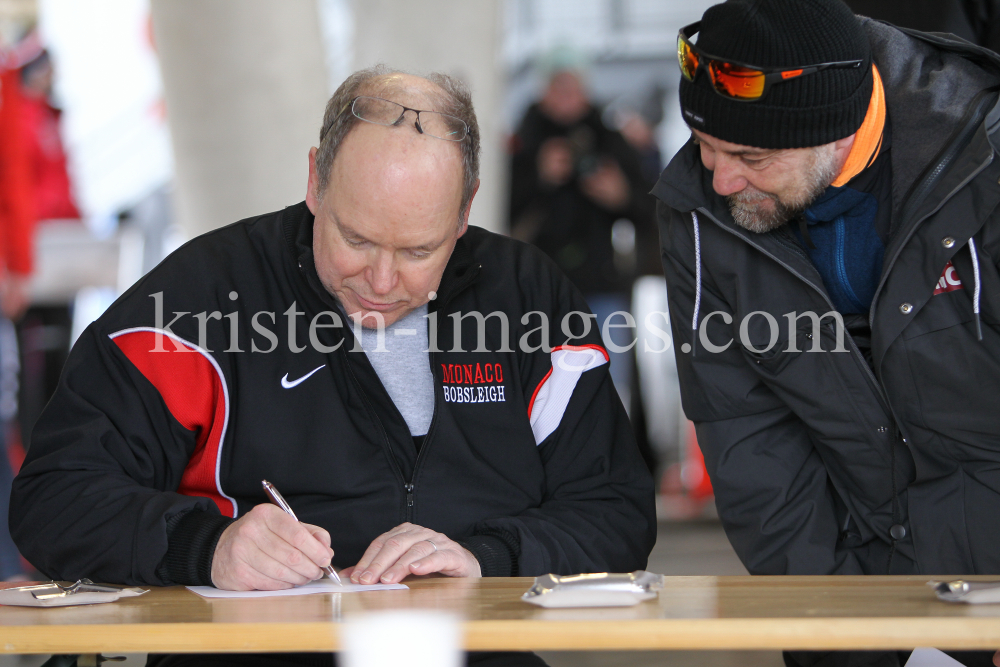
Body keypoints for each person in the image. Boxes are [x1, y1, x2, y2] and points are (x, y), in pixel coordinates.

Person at [10, 66, 656, 667]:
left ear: (466, 209)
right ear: (315, 179)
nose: (379, 279)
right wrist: (207, 546)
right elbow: (54, 497)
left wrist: (488, 556)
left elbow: (616, 511)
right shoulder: (201, 299)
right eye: (356, 238)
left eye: (418, 250)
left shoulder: (527, 297)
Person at [654, 0, 1000, 665]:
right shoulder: (701, 215)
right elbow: (749, 442)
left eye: (748, 154)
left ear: (836, 128)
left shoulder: (982, 161)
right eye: (704, 147)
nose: (721, 178)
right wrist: (833, 629)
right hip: (854, 598)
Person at [509, 63, 659, 408]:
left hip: (602, 284)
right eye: (557, 89)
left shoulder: (609, 139)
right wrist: (540, 176)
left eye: (572, 89)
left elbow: (651, 208)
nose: (565, 99)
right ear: (543, 94)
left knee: (610, 389)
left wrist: (618, 195)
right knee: (540, 390)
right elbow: (494, 208)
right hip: (538, 288)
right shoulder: (524, 140)